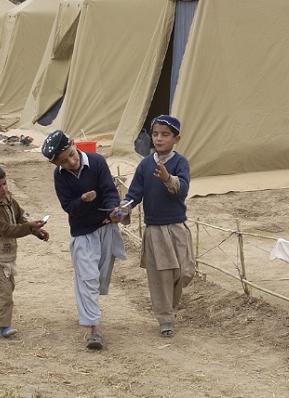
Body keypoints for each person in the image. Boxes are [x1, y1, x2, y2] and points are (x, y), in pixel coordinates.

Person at [42, 130, 126, 351]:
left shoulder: (97, 162)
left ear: (73, 144)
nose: (71, 161)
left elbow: (109, 191)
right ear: (55, 164)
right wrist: (82, 200)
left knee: (98, 278)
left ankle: (88, 310)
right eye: (63, 161)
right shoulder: (60, 176)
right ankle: (94, 329)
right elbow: (69, 207)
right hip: (82, 233)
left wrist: (113, 210)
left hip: (106, 227)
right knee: (87, 278)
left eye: (71, 154)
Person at [117, 115, 195, 339]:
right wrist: (123, 210)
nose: (159, 139)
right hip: (156, 230)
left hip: (178, 227)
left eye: (165, 134)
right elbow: (134, 194)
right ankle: (165, 318)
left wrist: (168, 178)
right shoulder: (145, 164)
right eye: (155, 134)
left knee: (183, 271)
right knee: (161, 276)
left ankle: (171, 308)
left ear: (176, 138)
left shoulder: (180, 163)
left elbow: (183, 189)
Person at [0, 163, 49, 339]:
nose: (3, 189)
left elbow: (21, 216)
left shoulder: (9, 199)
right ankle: (4, 325)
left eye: (4, 184)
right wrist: (28, 227)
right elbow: (6, 230)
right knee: (4, 291)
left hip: (7, 253)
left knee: (6, 287)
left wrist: (36, 230)